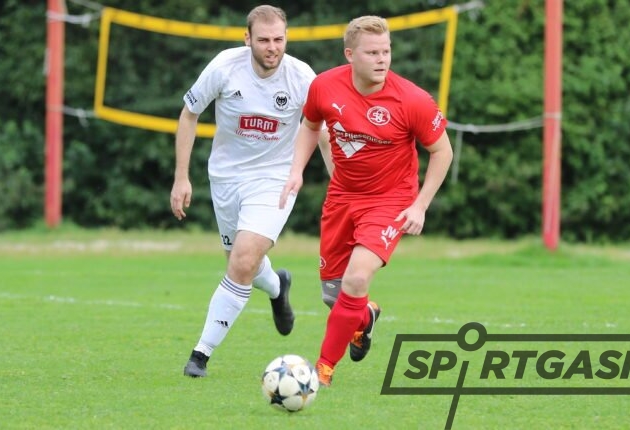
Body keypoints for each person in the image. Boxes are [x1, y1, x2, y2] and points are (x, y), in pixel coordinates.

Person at [279, 15, 453, 387]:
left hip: (391, 201)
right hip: (342, 197)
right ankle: (365, 317)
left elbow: (443, 152)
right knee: (335, 294)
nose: (381, 59)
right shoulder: (325, 86)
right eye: (372, 52)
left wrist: (420, 205)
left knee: (357, 278)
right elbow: (310, 126)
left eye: (386, 51)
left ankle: (322, 370)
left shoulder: (412, 99)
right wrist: (296, 171)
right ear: (350, 55)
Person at [170, 5, 320, 378]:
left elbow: (322, 130)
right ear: (247, 39)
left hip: (275, 179)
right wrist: (181, 177)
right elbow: (189, 114)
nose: (273, 47)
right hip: (225, 178)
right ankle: (278, 286)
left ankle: (200, 355)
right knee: (241, 265)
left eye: (279, 39)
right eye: (264, 40)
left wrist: (338, 183)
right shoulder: (225, 67)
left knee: (242, 261)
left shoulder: (302, 77)